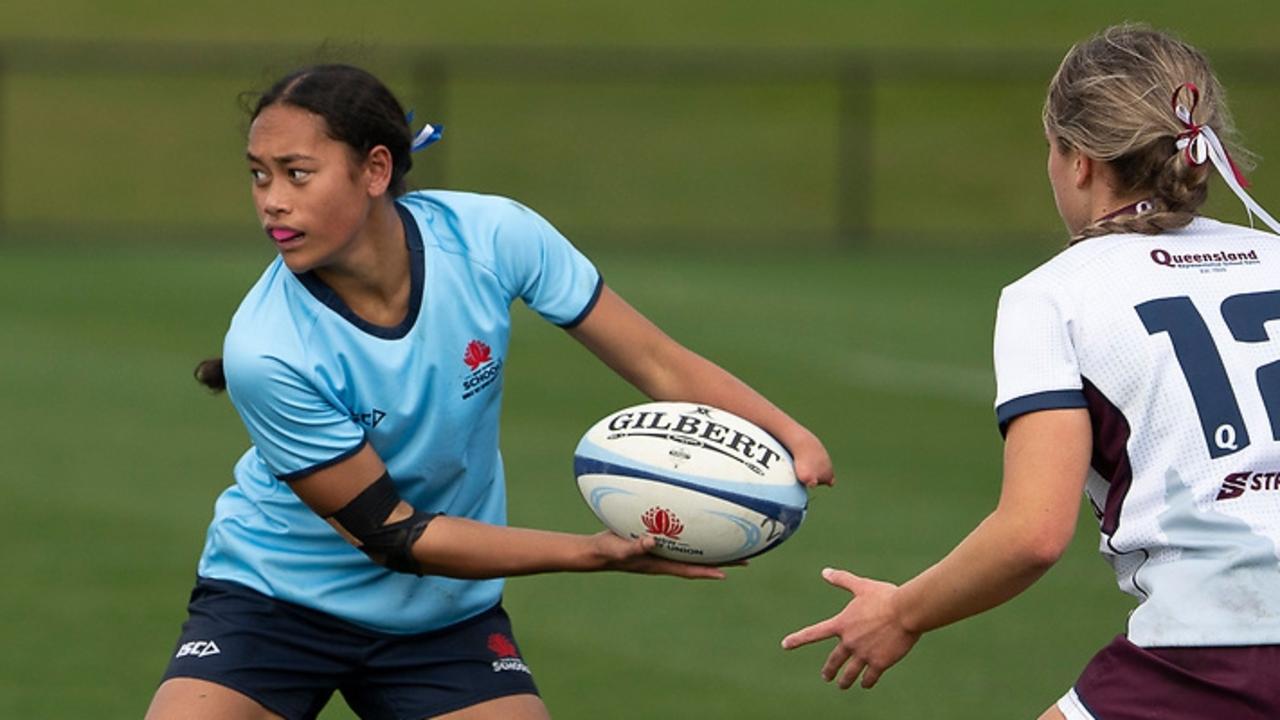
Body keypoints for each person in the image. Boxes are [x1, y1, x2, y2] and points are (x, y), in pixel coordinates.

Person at [145, 63, 834, 720]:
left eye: (297, 174)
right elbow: (395, 533)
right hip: (274, 604)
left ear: (375, 170)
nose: (272, 200)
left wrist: (790, 433)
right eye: (259, 176)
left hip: (441, 614)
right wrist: (591, 552)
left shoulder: (491, 236)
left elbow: (658, 363)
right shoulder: (267, 349)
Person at [781, 24, 1280, 720]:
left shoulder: (1052, 295)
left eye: (1052, 147)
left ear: (1078, 160)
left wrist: (901, 613)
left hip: (1219, 647)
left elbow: (1033, 534)